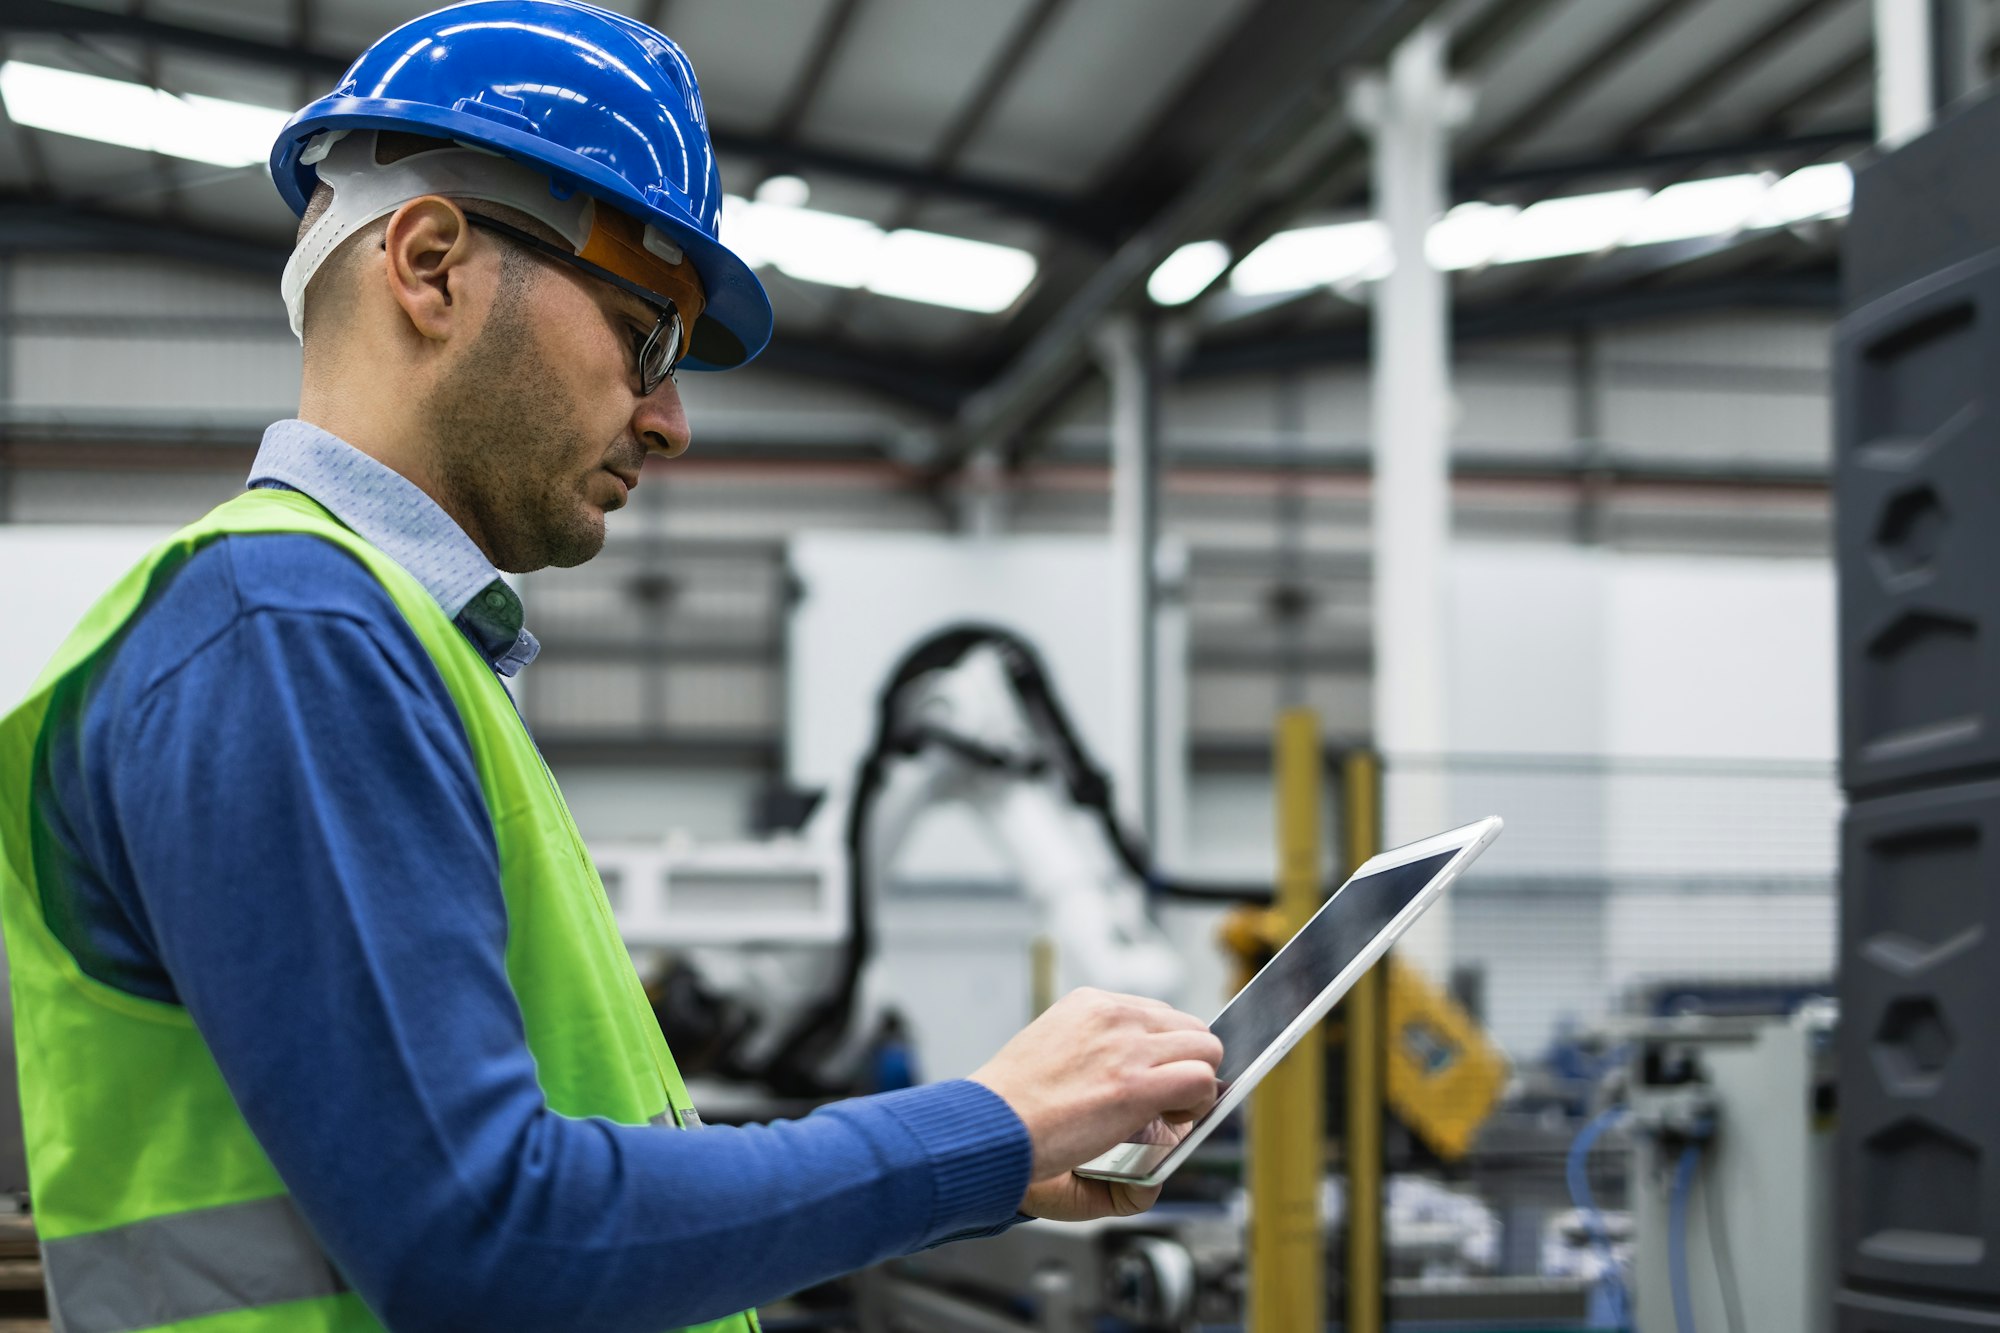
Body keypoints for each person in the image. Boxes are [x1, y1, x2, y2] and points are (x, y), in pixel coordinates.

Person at [0, 4, 1222, 1332]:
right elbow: (493, 1235)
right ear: (431, 264)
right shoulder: (291, 631)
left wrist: (1003, 1153)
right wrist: (983, 1127)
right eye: (647, 337)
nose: (674, 418)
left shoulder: (380, 643)